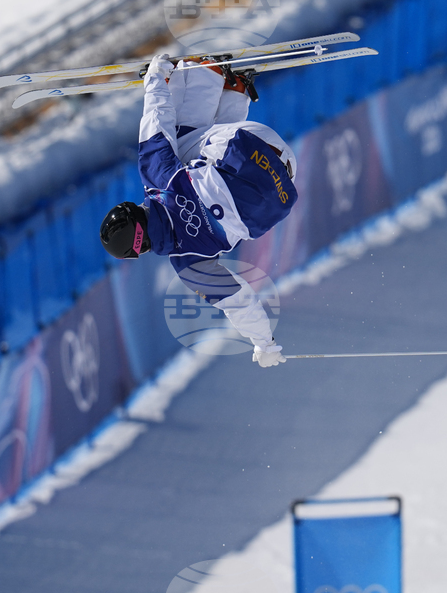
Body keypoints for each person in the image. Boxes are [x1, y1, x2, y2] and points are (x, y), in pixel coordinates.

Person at [99, 54, 298, 368]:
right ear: (134, 210)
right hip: (252, 144)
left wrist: (264, 343)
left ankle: (234, 89)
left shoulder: (187, 264)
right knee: (176, 144)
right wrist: (156, 78)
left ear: (141, 249)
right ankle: (206, 74)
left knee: (188, 161)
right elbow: (156, 119)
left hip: (284, 177)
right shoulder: (158, 180)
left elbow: (239, 302)